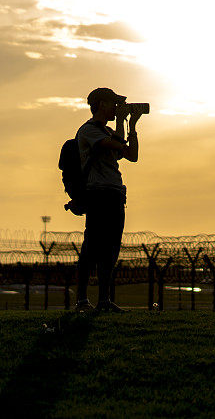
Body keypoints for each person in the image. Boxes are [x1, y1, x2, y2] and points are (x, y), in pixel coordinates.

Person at [74, 87, 140, 312]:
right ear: (101, 104)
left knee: (111, 249)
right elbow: (115, 145)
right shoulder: (89, 131)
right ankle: (82, 300)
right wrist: (122, 122)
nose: (116, 108)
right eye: (113, 104)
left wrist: (131, 126)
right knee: (92, 247)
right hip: (98, 194)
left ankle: (104, 300)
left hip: (115, 194)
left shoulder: (109, 131)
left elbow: (132, 155)